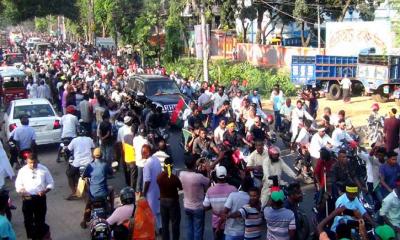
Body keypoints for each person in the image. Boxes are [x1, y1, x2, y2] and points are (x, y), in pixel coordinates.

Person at [15, 154, 54, 239]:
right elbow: (18, 185)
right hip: (27, 198)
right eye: (30, 163)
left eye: (34, 163)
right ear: (26, 162)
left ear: (37, 161)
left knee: (40, 220)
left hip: (40, 198)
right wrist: (22, 191)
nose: (32, 165)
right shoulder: (22, 171)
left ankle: (41, 237)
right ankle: (32, 237)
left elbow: (51, 183)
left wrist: (45, 191)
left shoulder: (44, 169)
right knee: (28, 221)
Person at [81, 148, 114, 229]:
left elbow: (83, 176)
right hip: (103, 193)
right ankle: (112, 208)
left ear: (93, 156)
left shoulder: (90, 166)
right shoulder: (105, 165)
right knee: (112, 189)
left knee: (88, 204)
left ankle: (84, 221)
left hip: (93, 193)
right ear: (102, 155)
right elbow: (111, 172)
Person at [203, 166, 237, 240]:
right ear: (226, 175)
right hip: (230, 223)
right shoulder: (233, 189)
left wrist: (213, 206)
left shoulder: (210, 190)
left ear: (216, 176)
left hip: (216, 223)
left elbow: (205, 207)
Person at [179, 157, 209, 240]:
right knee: (198, 229)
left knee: (189, 228)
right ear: (194, 165)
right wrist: (208, 169)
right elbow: (208, 182)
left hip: (187, 206)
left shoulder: (182, 174)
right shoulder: (199, 177)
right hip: (198, 207)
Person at [157, 157, 182, 240]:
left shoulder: (159, 177)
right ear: (171, 166)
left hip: (163, 201)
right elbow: (180, 187)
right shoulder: (174, 178)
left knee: (164, 223)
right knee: (175, 223)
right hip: (173, 202)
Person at [66, 127, 95, 200]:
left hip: (77, 163)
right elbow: (93, 149)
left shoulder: (74, 140)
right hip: (89, 162)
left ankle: (73, 192)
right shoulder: (89, 139)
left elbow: (68, 149)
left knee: (69, 174)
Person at [142, 144, 162, 231]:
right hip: (158, 189)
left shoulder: (147, 164)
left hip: (151, 192)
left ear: (147, 153)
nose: (142, 154)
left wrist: (144, 193)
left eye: (143, 153)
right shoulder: (156, 159)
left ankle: (152, 231)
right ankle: (160, 227)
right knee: (158, 211)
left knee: (151, 212)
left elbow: (147, 181)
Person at [133, 125, 149, 194]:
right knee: (144, 178)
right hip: (144, 162)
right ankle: (142, 191)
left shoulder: (135, 139)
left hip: (138, 161)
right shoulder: (145, 141)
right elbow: (150, 148)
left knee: (139, 177)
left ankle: (138, 191)